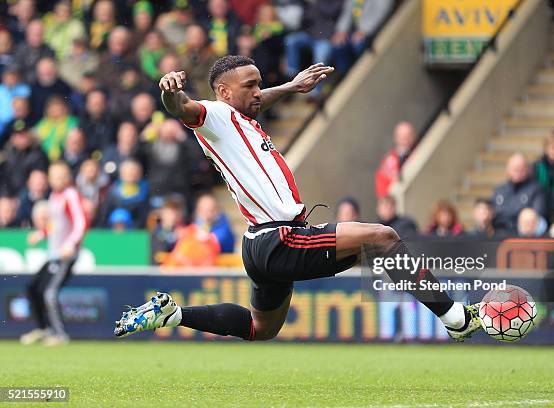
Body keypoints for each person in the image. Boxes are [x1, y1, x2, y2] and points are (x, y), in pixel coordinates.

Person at [115, 55, 482, 343]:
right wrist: (169, 91)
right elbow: (181, 107)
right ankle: (457, 319)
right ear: (224, 92)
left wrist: (290, 87)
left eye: (260, 84)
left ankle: (173, 315)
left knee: (262, 327)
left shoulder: (238, 118)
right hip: (281, 239)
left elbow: (258, 98)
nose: (259, 91)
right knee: (382, 237)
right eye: (251, 85)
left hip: (259, 245)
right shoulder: (215, 115)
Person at [20, 161, 88, 346]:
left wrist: (71, 244)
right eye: (53, 176)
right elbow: (55, 225)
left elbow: (81, 222)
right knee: (33, 288)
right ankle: (43, 329)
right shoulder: (54, 197)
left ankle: (60, 334)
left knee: (50, 292)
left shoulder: (70, 195)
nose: (56, 180)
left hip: (65, 255)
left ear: (67, 178)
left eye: (60, 176)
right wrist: (41, 234)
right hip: (54, 254)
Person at [492, 153, 546, 233]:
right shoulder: (499, 190)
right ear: (508, 169)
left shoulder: (536, 189)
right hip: (499, 234)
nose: (518, 172)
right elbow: (494, 213)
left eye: (521, 168)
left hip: (523, 236)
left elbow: (537, 215)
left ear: (527, 169)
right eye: (515, 168)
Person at [375, 121, 417, 198]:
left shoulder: (418, 155)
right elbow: (381, 185)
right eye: (402, 135)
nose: (405, 138)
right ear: (396, 137)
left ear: (414, 136)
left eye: (408, 134)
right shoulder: (389, 161)